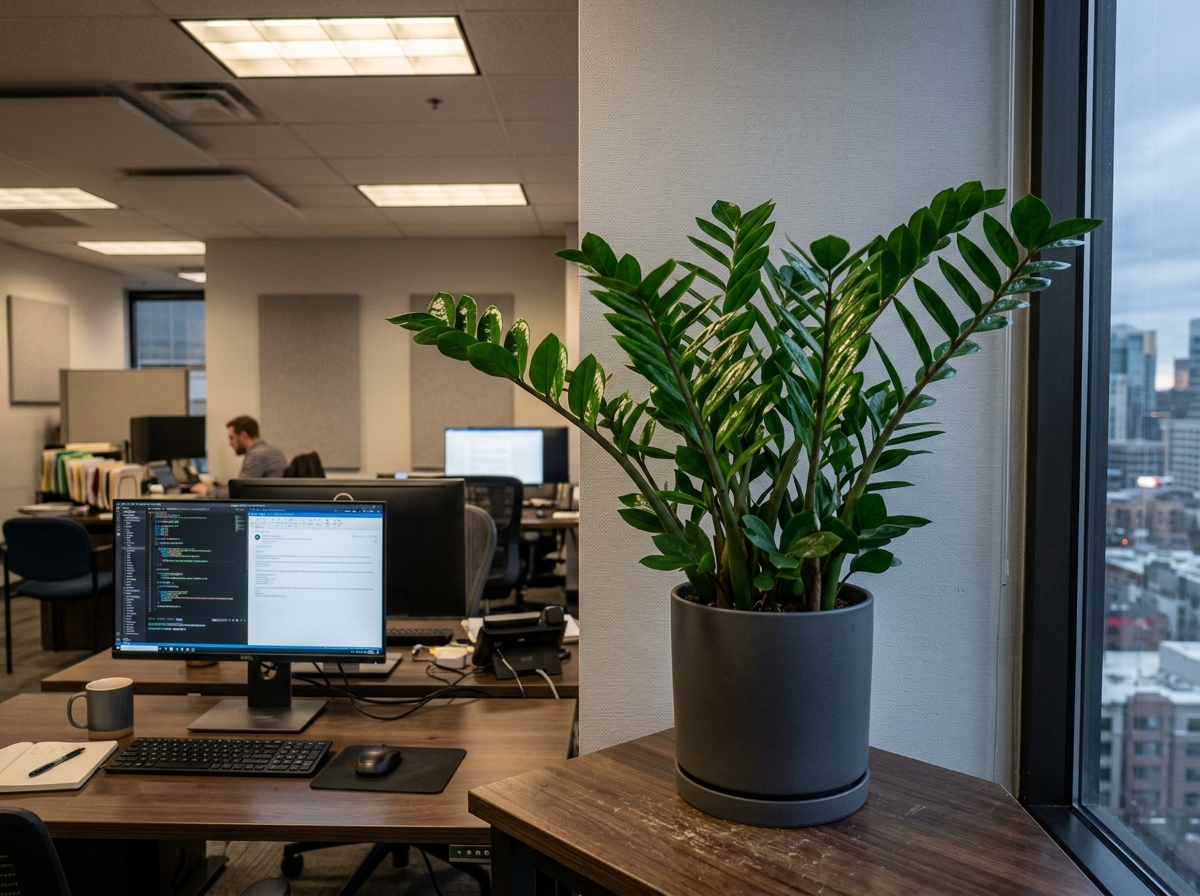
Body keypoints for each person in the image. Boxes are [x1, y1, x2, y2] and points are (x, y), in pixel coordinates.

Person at [191, 416, 287, 499]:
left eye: (232, 438)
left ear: (243, 435)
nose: (230, 443)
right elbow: (248, 487)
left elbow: (240, 492)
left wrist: (206, 491)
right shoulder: (272, 450)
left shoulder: (256, 455)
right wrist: (216, 485)